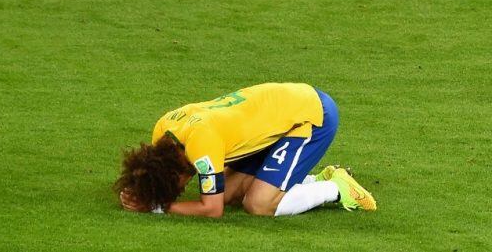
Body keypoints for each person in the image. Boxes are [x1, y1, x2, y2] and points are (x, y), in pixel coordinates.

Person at [115, 83, 376, 217]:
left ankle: (338, 188)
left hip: (310, 115)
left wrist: (157, 207)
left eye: (175, 186)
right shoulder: (164, 128)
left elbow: (212, 210)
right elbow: (219, 197)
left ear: (173, 172)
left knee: (258, 204)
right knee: (229, 194)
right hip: (272, 119)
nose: (182, 189)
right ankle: (309, 179)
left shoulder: (202, 147)